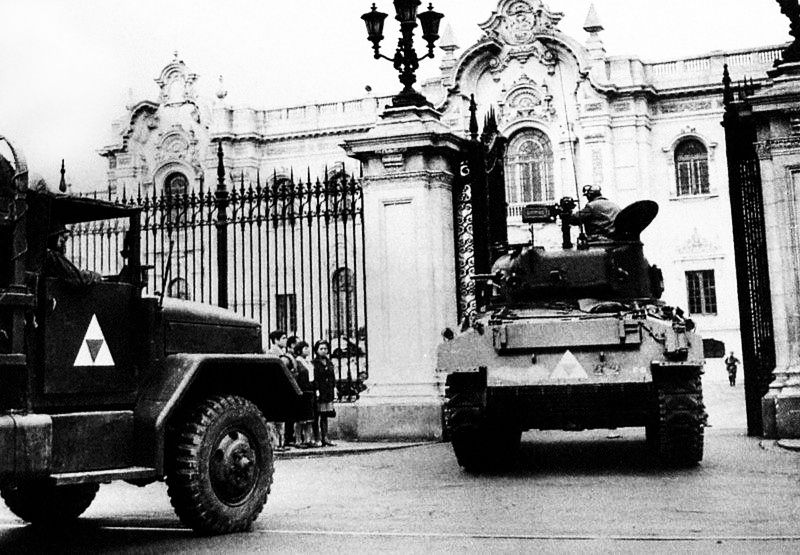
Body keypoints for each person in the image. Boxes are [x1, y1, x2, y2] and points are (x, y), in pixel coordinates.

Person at [45, 221, 103, 287]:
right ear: (53, 237)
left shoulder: (46, 255)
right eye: (60, 236)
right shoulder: (51, 255)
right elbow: (77, 278)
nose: (63, 240)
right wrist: (94, 276)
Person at [267, 330, 291, 451]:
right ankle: (275, 443)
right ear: (276, 340)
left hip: (281, 387)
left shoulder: (282, 352)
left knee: (281, 417)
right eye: (283, 338)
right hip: (275, 387)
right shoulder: (272, 353)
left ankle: (281, 443)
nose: (286, 340)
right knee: (274, 417)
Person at [292, 340, 317, 448]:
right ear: (299, 350)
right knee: (300, 418)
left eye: (308, 348)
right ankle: (298, 440)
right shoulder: (297, 362)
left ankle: (308, 439)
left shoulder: (308, 362)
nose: (308, 350)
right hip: (301, 390)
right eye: (305, 348)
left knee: (309, 418)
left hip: (310, 390)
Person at [312, 339, 337, 447]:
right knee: (317, 415)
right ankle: (317, 437)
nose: (323, 351)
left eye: (325, 349)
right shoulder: (314, 363)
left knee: (325, 415)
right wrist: (316, 390)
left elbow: (332, 377)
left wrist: (334, 389)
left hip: (328, 392)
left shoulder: (329, 362)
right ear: (316, 350)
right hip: (319, 392)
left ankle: (325, 437)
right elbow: (314, 378)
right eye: (321, 348)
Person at [284, 335, 299, 447]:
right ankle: (288, 437)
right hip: (289, 388)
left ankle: (291, 436)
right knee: (289, 415)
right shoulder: (288, 357)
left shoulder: (294, 356)